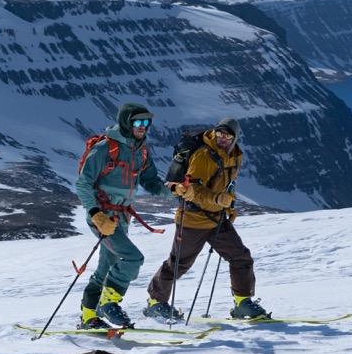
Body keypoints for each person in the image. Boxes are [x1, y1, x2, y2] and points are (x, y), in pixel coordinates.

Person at [144, 117, 271, 321]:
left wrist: (228, 206)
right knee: (178, 264)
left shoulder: (234, 156)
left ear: (235, 138)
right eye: (220, 133)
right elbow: (192, 189)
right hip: (193, 219)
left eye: (227, 136)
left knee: (241, 257)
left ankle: (243, 303)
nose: (222, 138)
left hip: (217, 218)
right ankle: (155, 303)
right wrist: (217, 199)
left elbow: (228, 183)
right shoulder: (203, 155)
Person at [73, 101, 170, 329]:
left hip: (121, 218)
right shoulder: (105, 148)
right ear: (126, 123)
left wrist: (174, 190)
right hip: (102, 216)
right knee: (133, 258)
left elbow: (150, 182)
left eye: (146, 121)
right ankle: (109, 302)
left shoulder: (141, 150)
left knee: (106, 268)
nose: (143, 126)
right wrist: (96, 215)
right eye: (137, 122)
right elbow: (83, 184)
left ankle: (88, 317)